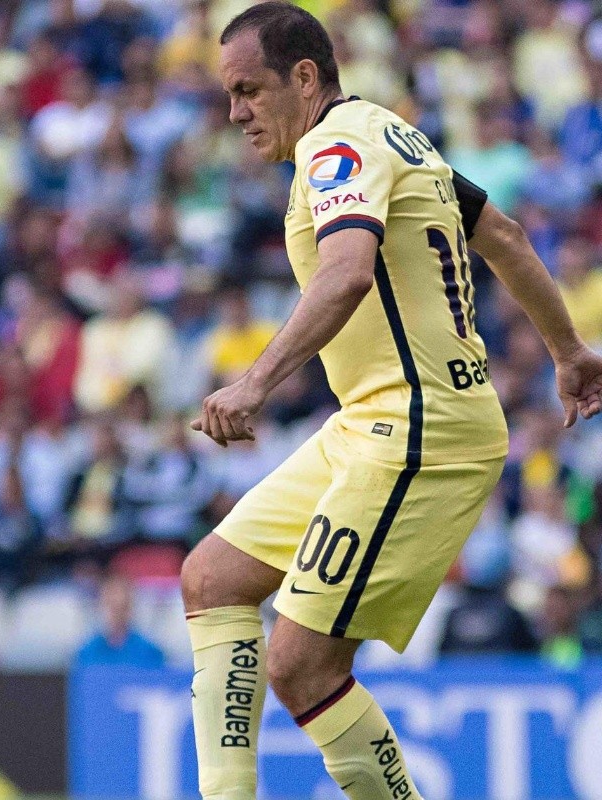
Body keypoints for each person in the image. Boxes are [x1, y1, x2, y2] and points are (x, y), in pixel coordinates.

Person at [181, 5, 602, 800]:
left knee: (302, 666)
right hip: (372, 420)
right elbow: (504, 236)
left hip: (420, 429)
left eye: (248, 90)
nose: (236, 113)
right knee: (212, 579)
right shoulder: (394, 134)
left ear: (304, 76)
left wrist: (255, 382)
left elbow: (346, 271)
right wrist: (569, 351)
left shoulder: (337, 145)